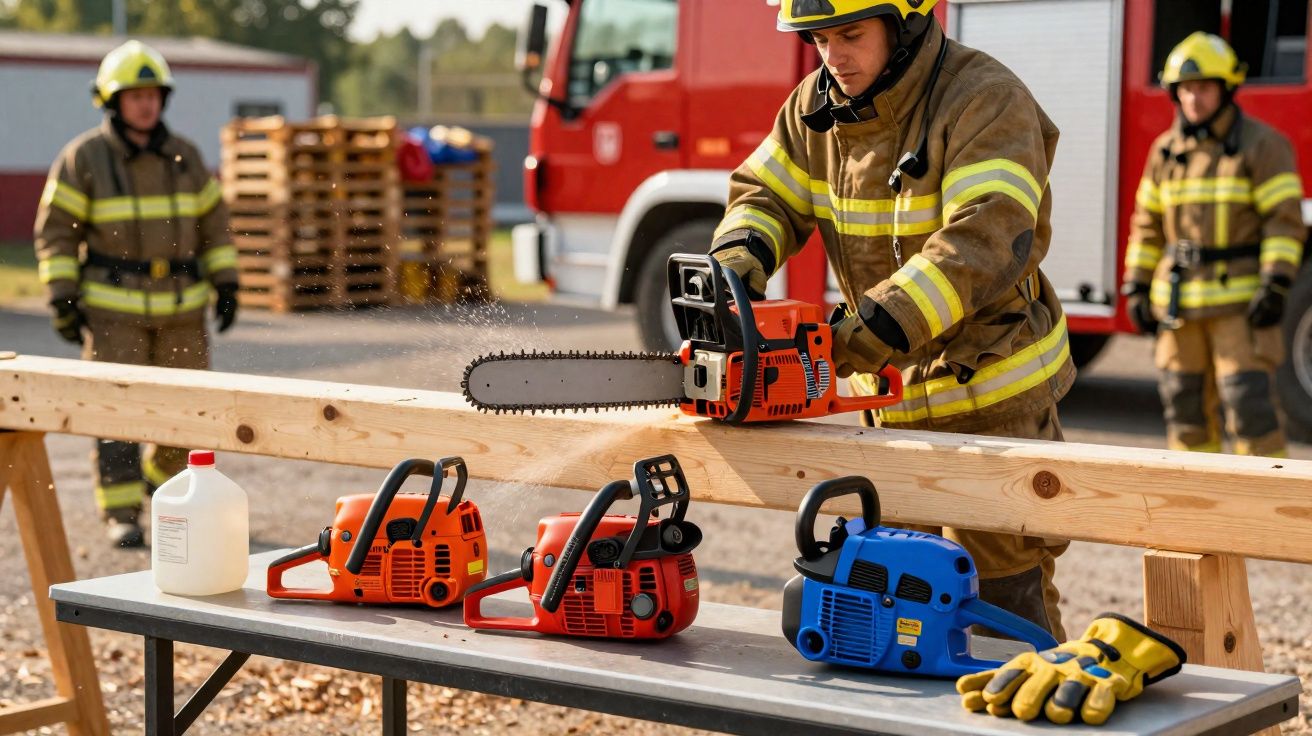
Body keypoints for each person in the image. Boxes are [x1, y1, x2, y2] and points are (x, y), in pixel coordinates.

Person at [711, 0, 1073, 637]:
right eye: (820, 40)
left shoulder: (985, 98)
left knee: (1004, 617)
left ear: (905, 23)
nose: (834, 57)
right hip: (889, 410)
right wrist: (741, 256)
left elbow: (985, 240)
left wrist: (870, 328)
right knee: (898, 615)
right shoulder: (813, 108)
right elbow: (763, 195)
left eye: (850, 34)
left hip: (992, 404)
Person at [33, 40, 240, 547]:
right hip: (113, 315)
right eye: (134, 96)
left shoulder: (186, 156)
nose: (146, 105)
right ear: (112, 100)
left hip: (183, 312)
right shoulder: (84, 158)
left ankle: (164, 487)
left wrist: (226, 282)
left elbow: (214, 225)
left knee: (189, 412)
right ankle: (121, 512)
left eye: (153, 95)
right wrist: (62, 296)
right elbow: (57, 232)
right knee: (115, 415)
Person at [1122, 32, 1304, 457]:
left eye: (1203, 87)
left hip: (1239, 309)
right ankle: (1194, 497)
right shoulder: (1165, 152)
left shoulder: (1262, 145)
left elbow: (1284, 221)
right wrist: (1137, 285)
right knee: (1184, 412)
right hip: (1179, 308)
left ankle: (1264, 497)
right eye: (1185, 89)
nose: (1193, 98)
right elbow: (1147, 225)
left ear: (1226, 89)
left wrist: (1276, 283)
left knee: (1249, 409)